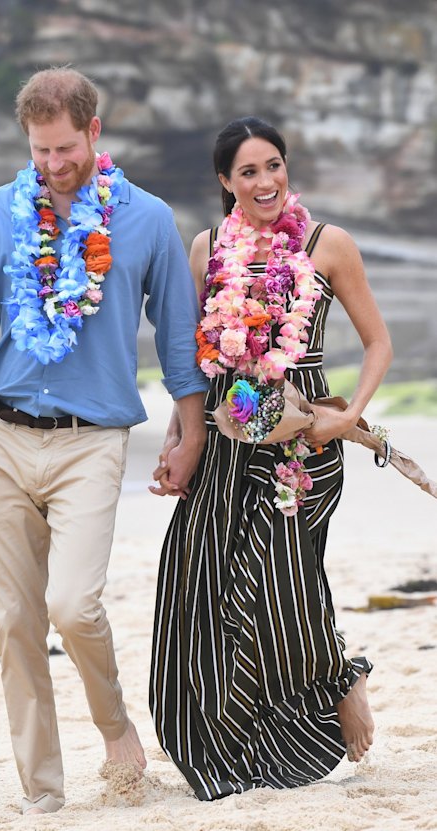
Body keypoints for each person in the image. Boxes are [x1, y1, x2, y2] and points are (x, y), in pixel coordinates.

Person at [0, 66, 208, 815]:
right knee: (13, 619)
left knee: (73, 604)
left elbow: (177, 340)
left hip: (92, 440)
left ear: (94, 133)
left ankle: (116, 728)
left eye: (65, 147)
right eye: (38, 150)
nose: (52, 164)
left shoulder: (144, 220)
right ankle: (42, 789)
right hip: (2, 437)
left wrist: (191, 432)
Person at [149, 116, 393, 801]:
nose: (266, 182)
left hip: (301, 437)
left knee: (283, 577)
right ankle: (232, 735)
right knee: (204, 583)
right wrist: (178, 439)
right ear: (225, 181)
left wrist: (347, 416)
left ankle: (340, 683)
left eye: (275, 166)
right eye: (249, 171)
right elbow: (195, 364)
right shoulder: (205, 249)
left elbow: (378, 344)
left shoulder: (327, 244)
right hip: (225, 436)